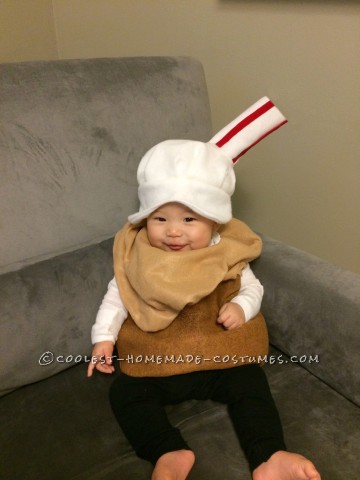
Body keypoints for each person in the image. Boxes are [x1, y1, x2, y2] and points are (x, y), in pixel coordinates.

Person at [88, 100, 321, 480]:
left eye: (188, 219)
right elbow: (118, 295)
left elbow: (252, 287)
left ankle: (268, 455)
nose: (173, 231)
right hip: (157, 363)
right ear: (145, 218)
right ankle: (167, 450)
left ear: (213, 222)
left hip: (219, 359)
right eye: (159, 218)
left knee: (251, 383)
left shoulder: (225, 251)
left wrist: (243, 308)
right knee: (124, 394)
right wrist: (103, 339)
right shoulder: (138, 255)